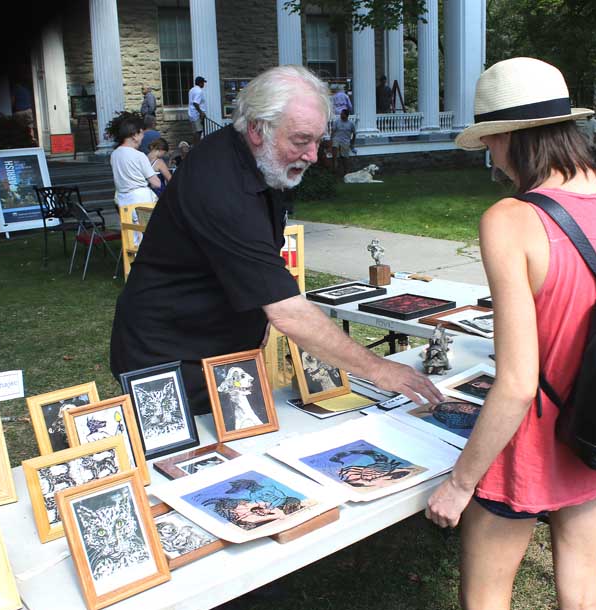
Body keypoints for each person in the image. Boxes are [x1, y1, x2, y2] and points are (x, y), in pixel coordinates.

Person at [427, 57, 596, 610]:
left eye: (490, 141)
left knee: (488, 605)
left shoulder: (511, 219)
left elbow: (515, 381)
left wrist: (460, 485)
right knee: (583, 597)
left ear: (508, 138)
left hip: (533, 445)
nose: (491, 156)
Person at [110, 65, 442, 415]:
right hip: (168, 356)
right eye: (301, 140)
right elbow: (287, 312)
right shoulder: (221, 185)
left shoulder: (262, 164)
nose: (313, 155)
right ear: (256, 128)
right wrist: (379, 368)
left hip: (220, 349)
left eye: (318, 140)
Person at [109, 115, 161, 208]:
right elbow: (156, 183)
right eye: (141, 134)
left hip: (123, 201)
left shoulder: (114, 154)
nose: (142, 138)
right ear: (135, 135)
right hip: (141, 201)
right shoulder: (139, 156)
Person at [330, 109, 356, 175]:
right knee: (335, 157)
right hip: (336, 140)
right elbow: (333, 132)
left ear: (346, 115)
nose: (341, 115)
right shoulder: (337, 122)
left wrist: (352, 144)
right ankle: (334, 173)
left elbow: (354, 134)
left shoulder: (351, 123)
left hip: (346, 142)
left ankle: (346, 173)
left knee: (345, 158)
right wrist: (331, 141)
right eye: (341, 113)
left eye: (342, 114)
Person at [188, 76, 208, 145]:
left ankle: (193, 147)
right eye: (203, 83)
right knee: (198, 132)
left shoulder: (192, 90)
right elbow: (195, 103)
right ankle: (196, 147)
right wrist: (201, 112)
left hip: (191, 114)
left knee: (195, 132)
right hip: (197, 115)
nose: (204, 84)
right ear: (200, 83)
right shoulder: (199, 91)